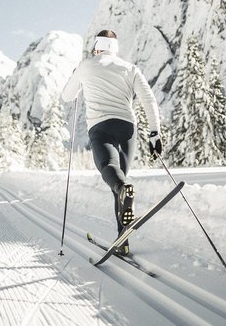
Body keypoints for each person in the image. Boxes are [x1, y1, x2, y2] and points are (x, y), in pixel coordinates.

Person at [61, 30, 163, 255]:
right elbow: (148, 99)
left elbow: (67, 96)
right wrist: (154, 134)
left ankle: (122, 218)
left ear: (97, 47)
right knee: (121, 182)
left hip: (101, 127)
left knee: (111, 172)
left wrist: (76, 75)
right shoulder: (130, 68)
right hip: (127, 128)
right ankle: (122, 240)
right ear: (115, 47)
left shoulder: (86, 65)